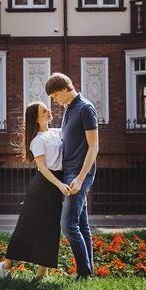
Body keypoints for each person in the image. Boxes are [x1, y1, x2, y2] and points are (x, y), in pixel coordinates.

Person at [0, 101, 72, 279]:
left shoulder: (55, 132)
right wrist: (60, 185)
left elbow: (72, 130)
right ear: (37, 119)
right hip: (43, 186)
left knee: (50, 228)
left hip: (55, 185)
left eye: (47, 108)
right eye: (44, 110)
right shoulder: (37, 140)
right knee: (27, 227)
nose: (49, 111)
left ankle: (40, 276)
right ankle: (5, 267)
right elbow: (43, 169)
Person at [45, 72, 99, 279]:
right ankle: (88, 274)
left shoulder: (85, 108)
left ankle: (84, 274)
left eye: (55, 96)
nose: (55, 100)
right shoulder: (69, 109)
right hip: (69, 172)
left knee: (68, 225)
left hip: (78, 174)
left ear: (64, 89)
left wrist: (80, 177)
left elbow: (94, 147)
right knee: (82, 225)